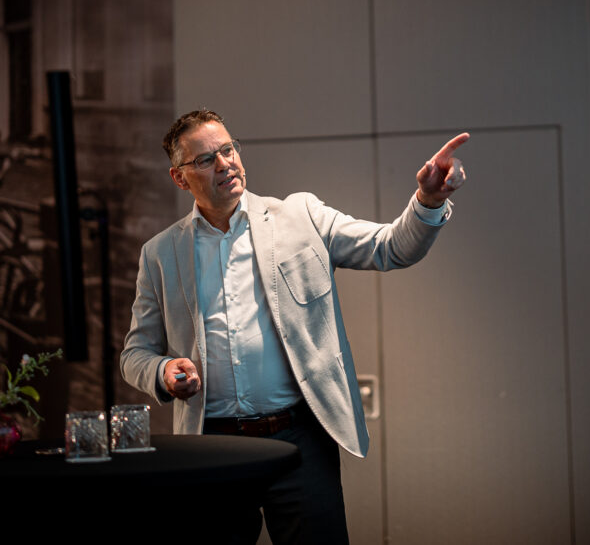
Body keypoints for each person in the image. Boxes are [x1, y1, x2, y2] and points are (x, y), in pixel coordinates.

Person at [120, 109, 468, 544]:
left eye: (228, 149)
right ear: (179, 178)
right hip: (212, 444)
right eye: (206, 159)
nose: (225, 163)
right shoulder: (160, 254)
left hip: (299, 439)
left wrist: (428, 201)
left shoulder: (301, 216)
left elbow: (391, 247)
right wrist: (162, 371)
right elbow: (135, 354)